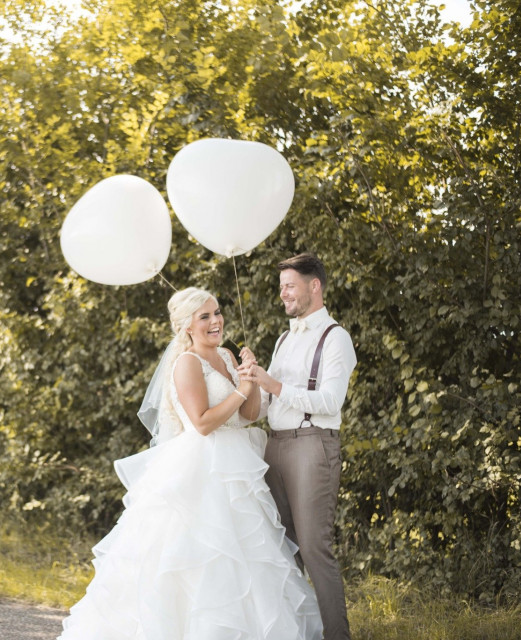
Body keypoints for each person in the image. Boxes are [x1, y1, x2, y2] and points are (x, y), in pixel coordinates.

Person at [58, 287, 322, 640]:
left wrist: (250, 376)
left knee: (247, 555)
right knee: (200, 552)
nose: (216, 321)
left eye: (216, 312)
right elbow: (202, 422)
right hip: (201, 466)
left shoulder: (226, 356)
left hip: (238, 465)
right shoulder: (187, 363)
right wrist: (242, 390)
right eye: (205, 317)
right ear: (187, 326)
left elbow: (249, 414)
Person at [246, 253, 357, 640]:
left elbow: (330, 402)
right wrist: (249, 382)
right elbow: (269, 402)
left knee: (313, 548)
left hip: (312, 447)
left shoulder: (336, 337)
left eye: (289, 286)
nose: (283, 295)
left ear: (315, 286)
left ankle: (337, 636)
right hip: (274, 447)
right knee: (281, 549)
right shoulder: (282, 338)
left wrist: (273, 384)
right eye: (281, 288)